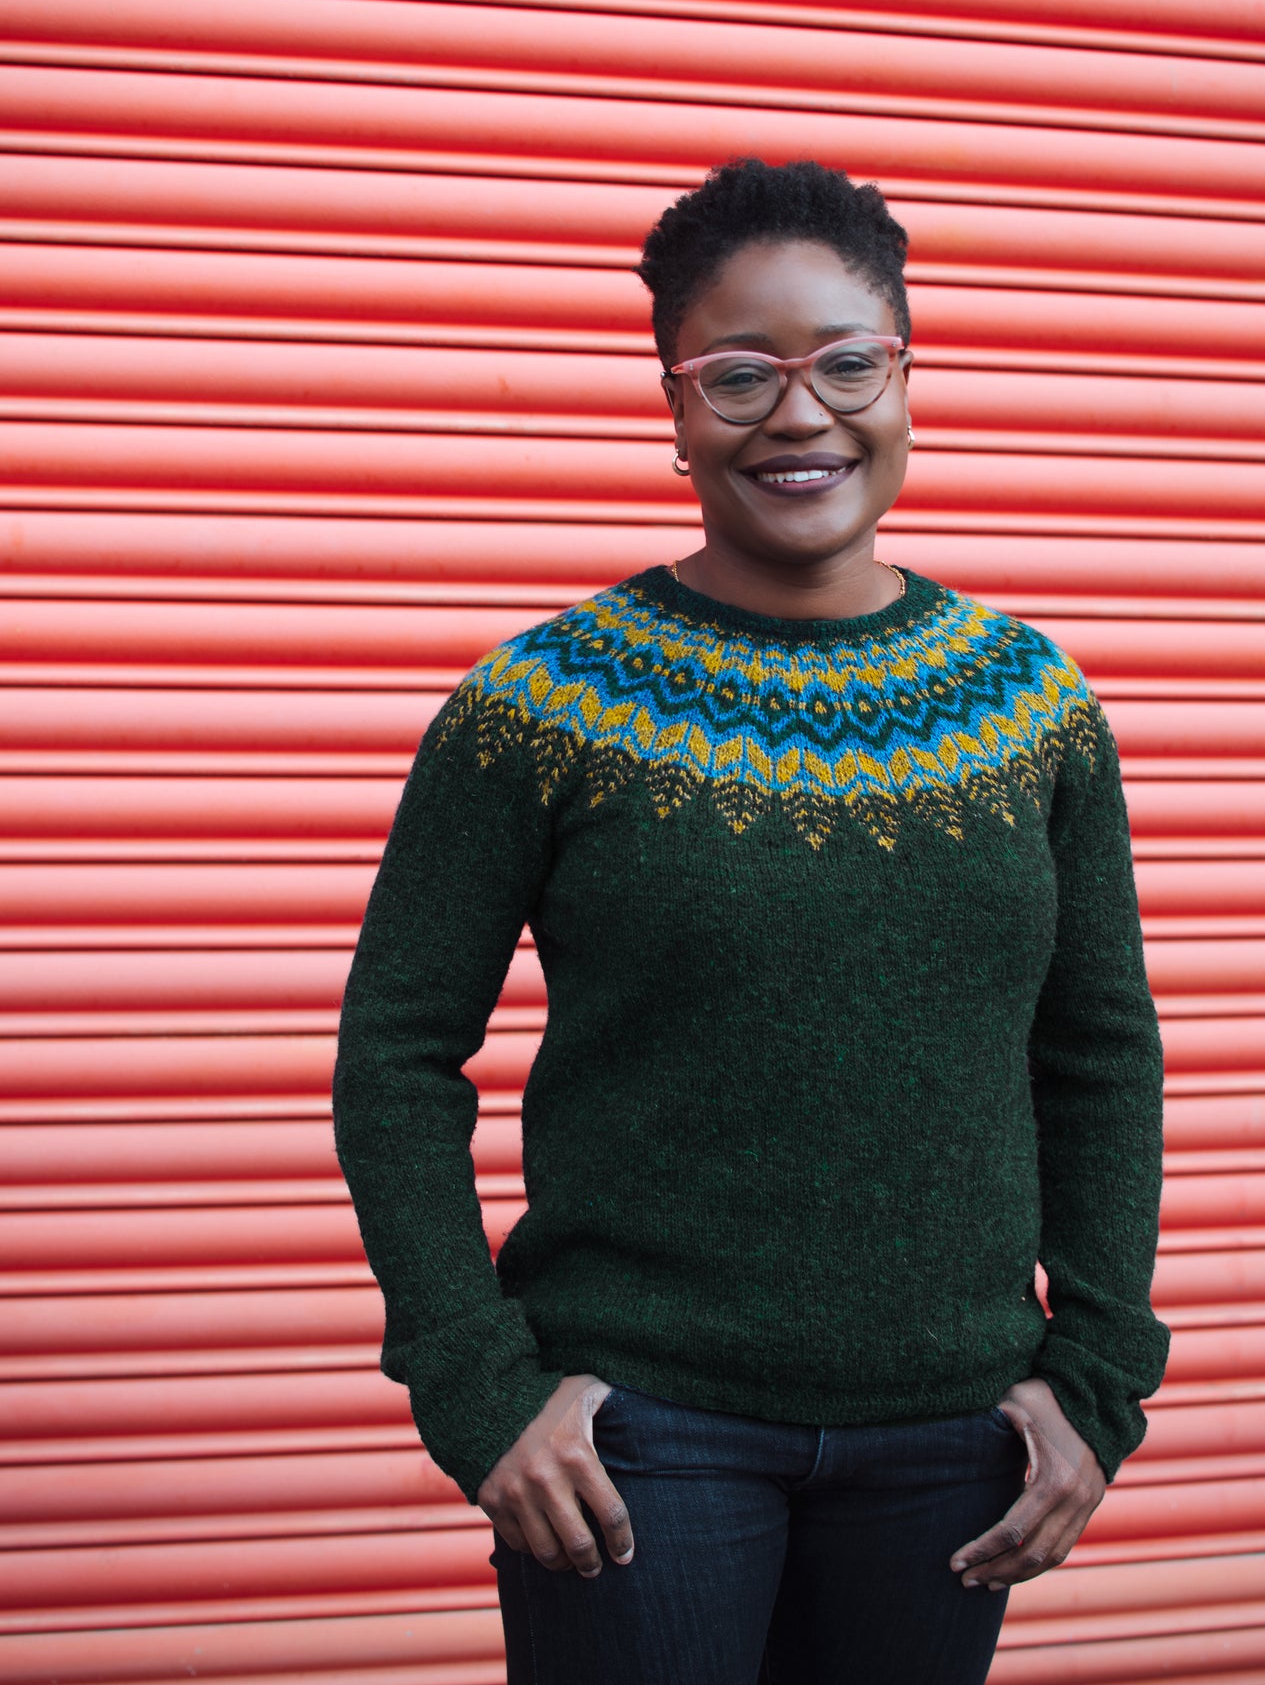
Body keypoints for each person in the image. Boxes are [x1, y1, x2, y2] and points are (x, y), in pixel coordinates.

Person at [333, 158, 1169, 1685]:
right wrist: (476, 1386)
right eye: (738, 375)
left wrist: (1097, 1375)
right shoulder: (541, 705)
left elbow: (1098, 1047)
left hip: (951, 1445)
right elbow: (395, 1052)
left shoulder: (1031, 706)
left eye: (848, 362)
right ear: (671, 403)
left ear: (905, 374)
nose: (800, 416)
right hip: (639, 1443)